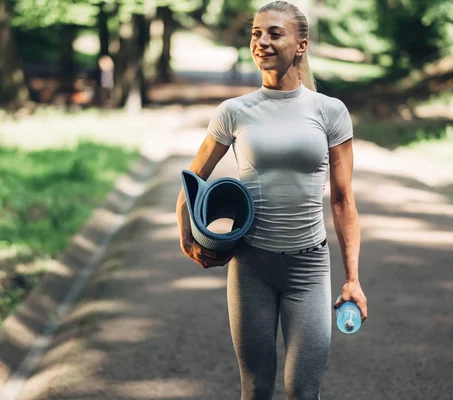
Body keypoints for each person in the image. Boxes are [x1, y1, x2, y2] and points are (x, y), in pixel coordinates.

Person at [175, 1, 368, 399]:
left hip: (309, 268)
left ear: (301, 45)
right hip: (251, 268)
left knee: (302, 389)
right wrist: (188, 239)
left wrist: (352, 278)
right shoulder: (235, 112)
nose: (262, 41)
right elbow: (191, 181)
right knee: (257, 388)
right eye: (256, 33)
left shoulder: (329, 111)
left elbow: (344, 200)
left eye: (274, 33)